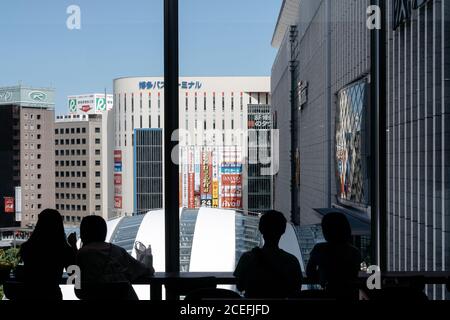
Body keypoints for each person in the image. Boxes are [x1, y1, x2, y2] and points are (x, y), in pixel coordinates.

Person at [73, 216, 154, 299]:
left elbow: (78, 289)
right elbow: (146, 270)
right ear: (104, 233)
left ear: (83, 234)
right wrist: (147, 258)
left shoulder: (81, 254)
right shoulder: (117, 251)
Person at [234, 211, 303, 299]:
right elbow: (296, 290)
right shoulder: (291, 261)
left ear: (261, 229)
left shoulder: (247, 258)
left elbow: (240, 286)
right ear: (283, 231)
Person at [19, 209, 77, 300]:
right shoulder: (63, 249)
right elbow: (74, 276)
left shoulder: (28, 247)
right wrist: (73, 245)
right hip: (52, 294)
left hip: (29, 293)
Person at [306, 211, 361, 297]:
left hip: (328, 293)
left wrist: (322, 275)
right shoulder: (354, 252)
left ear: (326, 231)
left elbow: (309, 272)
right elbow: (353, 274)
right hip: (349, 294)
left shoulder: (319, 248)